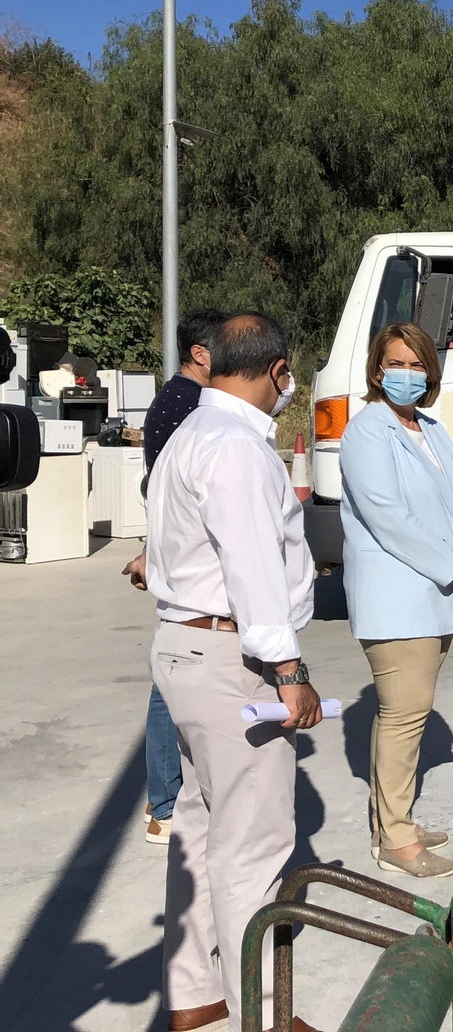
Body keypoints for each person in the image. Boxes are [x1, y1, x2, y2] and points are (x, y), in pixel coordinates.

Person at [145, 313, 321, 1032]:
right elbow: (253, 569)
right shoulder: (239, 450)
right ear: (278, 371)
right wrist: (287, 669)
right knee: (252, 842)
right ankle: (267, 1012)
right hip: (230, 656)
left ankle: (194, 992)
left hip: (181, 646)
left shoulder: (189, 432)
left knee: (196, 824)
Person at [339, 322, 453, 879]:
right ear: (378, 370)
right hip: (399, 597)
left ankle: (393, 820)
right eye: (395, 363)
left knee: (407, 714)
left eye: (416, 363)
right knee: (404, 715)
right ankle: (395, 840)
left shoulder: (430, 428)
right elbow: (388, 518)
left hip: (438, 592)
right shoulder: (367, 433)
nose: (406, 373)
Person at [125, 308, 229, 847]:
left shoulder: (185, 403)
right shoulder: (183, 406)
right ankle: (164, 805)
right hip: (184, 563)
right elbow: (172, 494)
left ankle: (169, 798)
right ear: (201, 355)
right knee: (172, 677)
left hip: (178, 558)